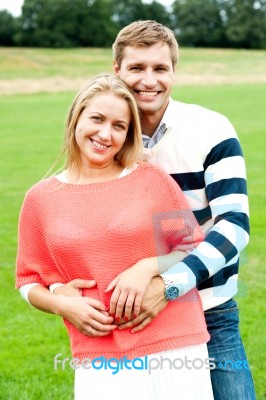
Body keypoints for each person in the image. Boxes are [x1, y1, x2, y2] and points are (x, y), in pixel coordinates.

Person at [16, 74, 214, 399]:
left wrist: (148, 267)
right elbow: (28, 280)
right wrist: (60, 305)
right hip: (98, 351)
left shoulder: (150, 180)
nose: (105, 134)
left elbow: (192, 247)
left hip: (175, 342)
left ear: (129, 133)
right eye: (97, 118)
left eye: (119, 126)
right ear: (76, 116)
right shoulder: (40, 198)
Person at [110, 20, 255, 400]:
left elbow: (234, 228)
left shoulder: (211, 129)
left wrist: (168, 285)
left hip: (211, 311)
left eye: (160, 68)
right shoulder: (104, 138)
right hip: (136, 312)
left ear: (174, 71)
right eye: (136, 68)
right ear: (117, 71)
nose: (148, 80)